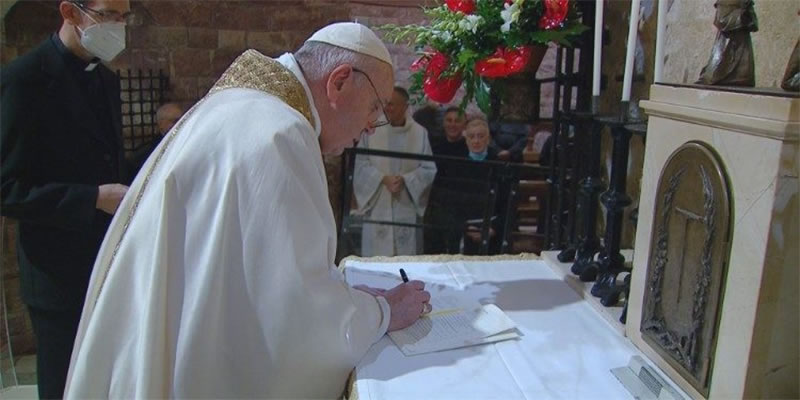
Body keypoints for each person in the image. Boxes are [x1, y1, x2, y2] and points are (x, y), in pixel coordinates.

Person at [64, 23, 432, 399]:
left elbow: (259, 280)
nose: (372, 126)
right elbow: (296, 320)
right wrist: (382, 312)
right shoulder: (280, 134)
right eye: (374, 107)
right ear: (338, 82)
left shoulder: (247, 107)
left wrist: (342, 294)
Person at [0, 0, 131, 398]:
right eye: (108, 15)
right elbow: (8, 189)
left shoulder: (106, 80)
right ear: (70, 13)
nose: (118, 26)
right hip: (56, 272)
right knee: (64, 387)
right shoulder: (24, 78)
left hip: (106, 262)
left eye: (124, 17)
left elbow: (109, 164)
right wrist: (91, 198)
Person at [353, 86, 436, 257]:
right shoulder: (372, 130)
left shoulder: (420, 133)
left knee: (404, 257)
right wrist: (382, 178)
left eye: (393, 105)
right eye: (386, 104)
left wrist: (406, 179)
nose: (388, 108)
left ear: (405, 107)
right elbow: (361, 163)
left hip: (405, 201)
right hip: (378, 202)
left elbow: (428, 169)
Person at [424, 107, 468, 254]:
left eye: (457, 121)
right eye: (449, 120)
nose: (452, 124)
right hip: (437, 206)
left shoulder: (469, 149)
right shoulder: (435, 147)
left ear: (464, 125)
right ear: (443, 123)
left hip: (460, 208)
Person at [127, 102, 184, 179]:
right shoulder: (145, 155)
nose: (181, 125)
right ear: (161, 124)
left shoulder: (188, 146)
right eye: (175, 121)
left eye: (183, 121)